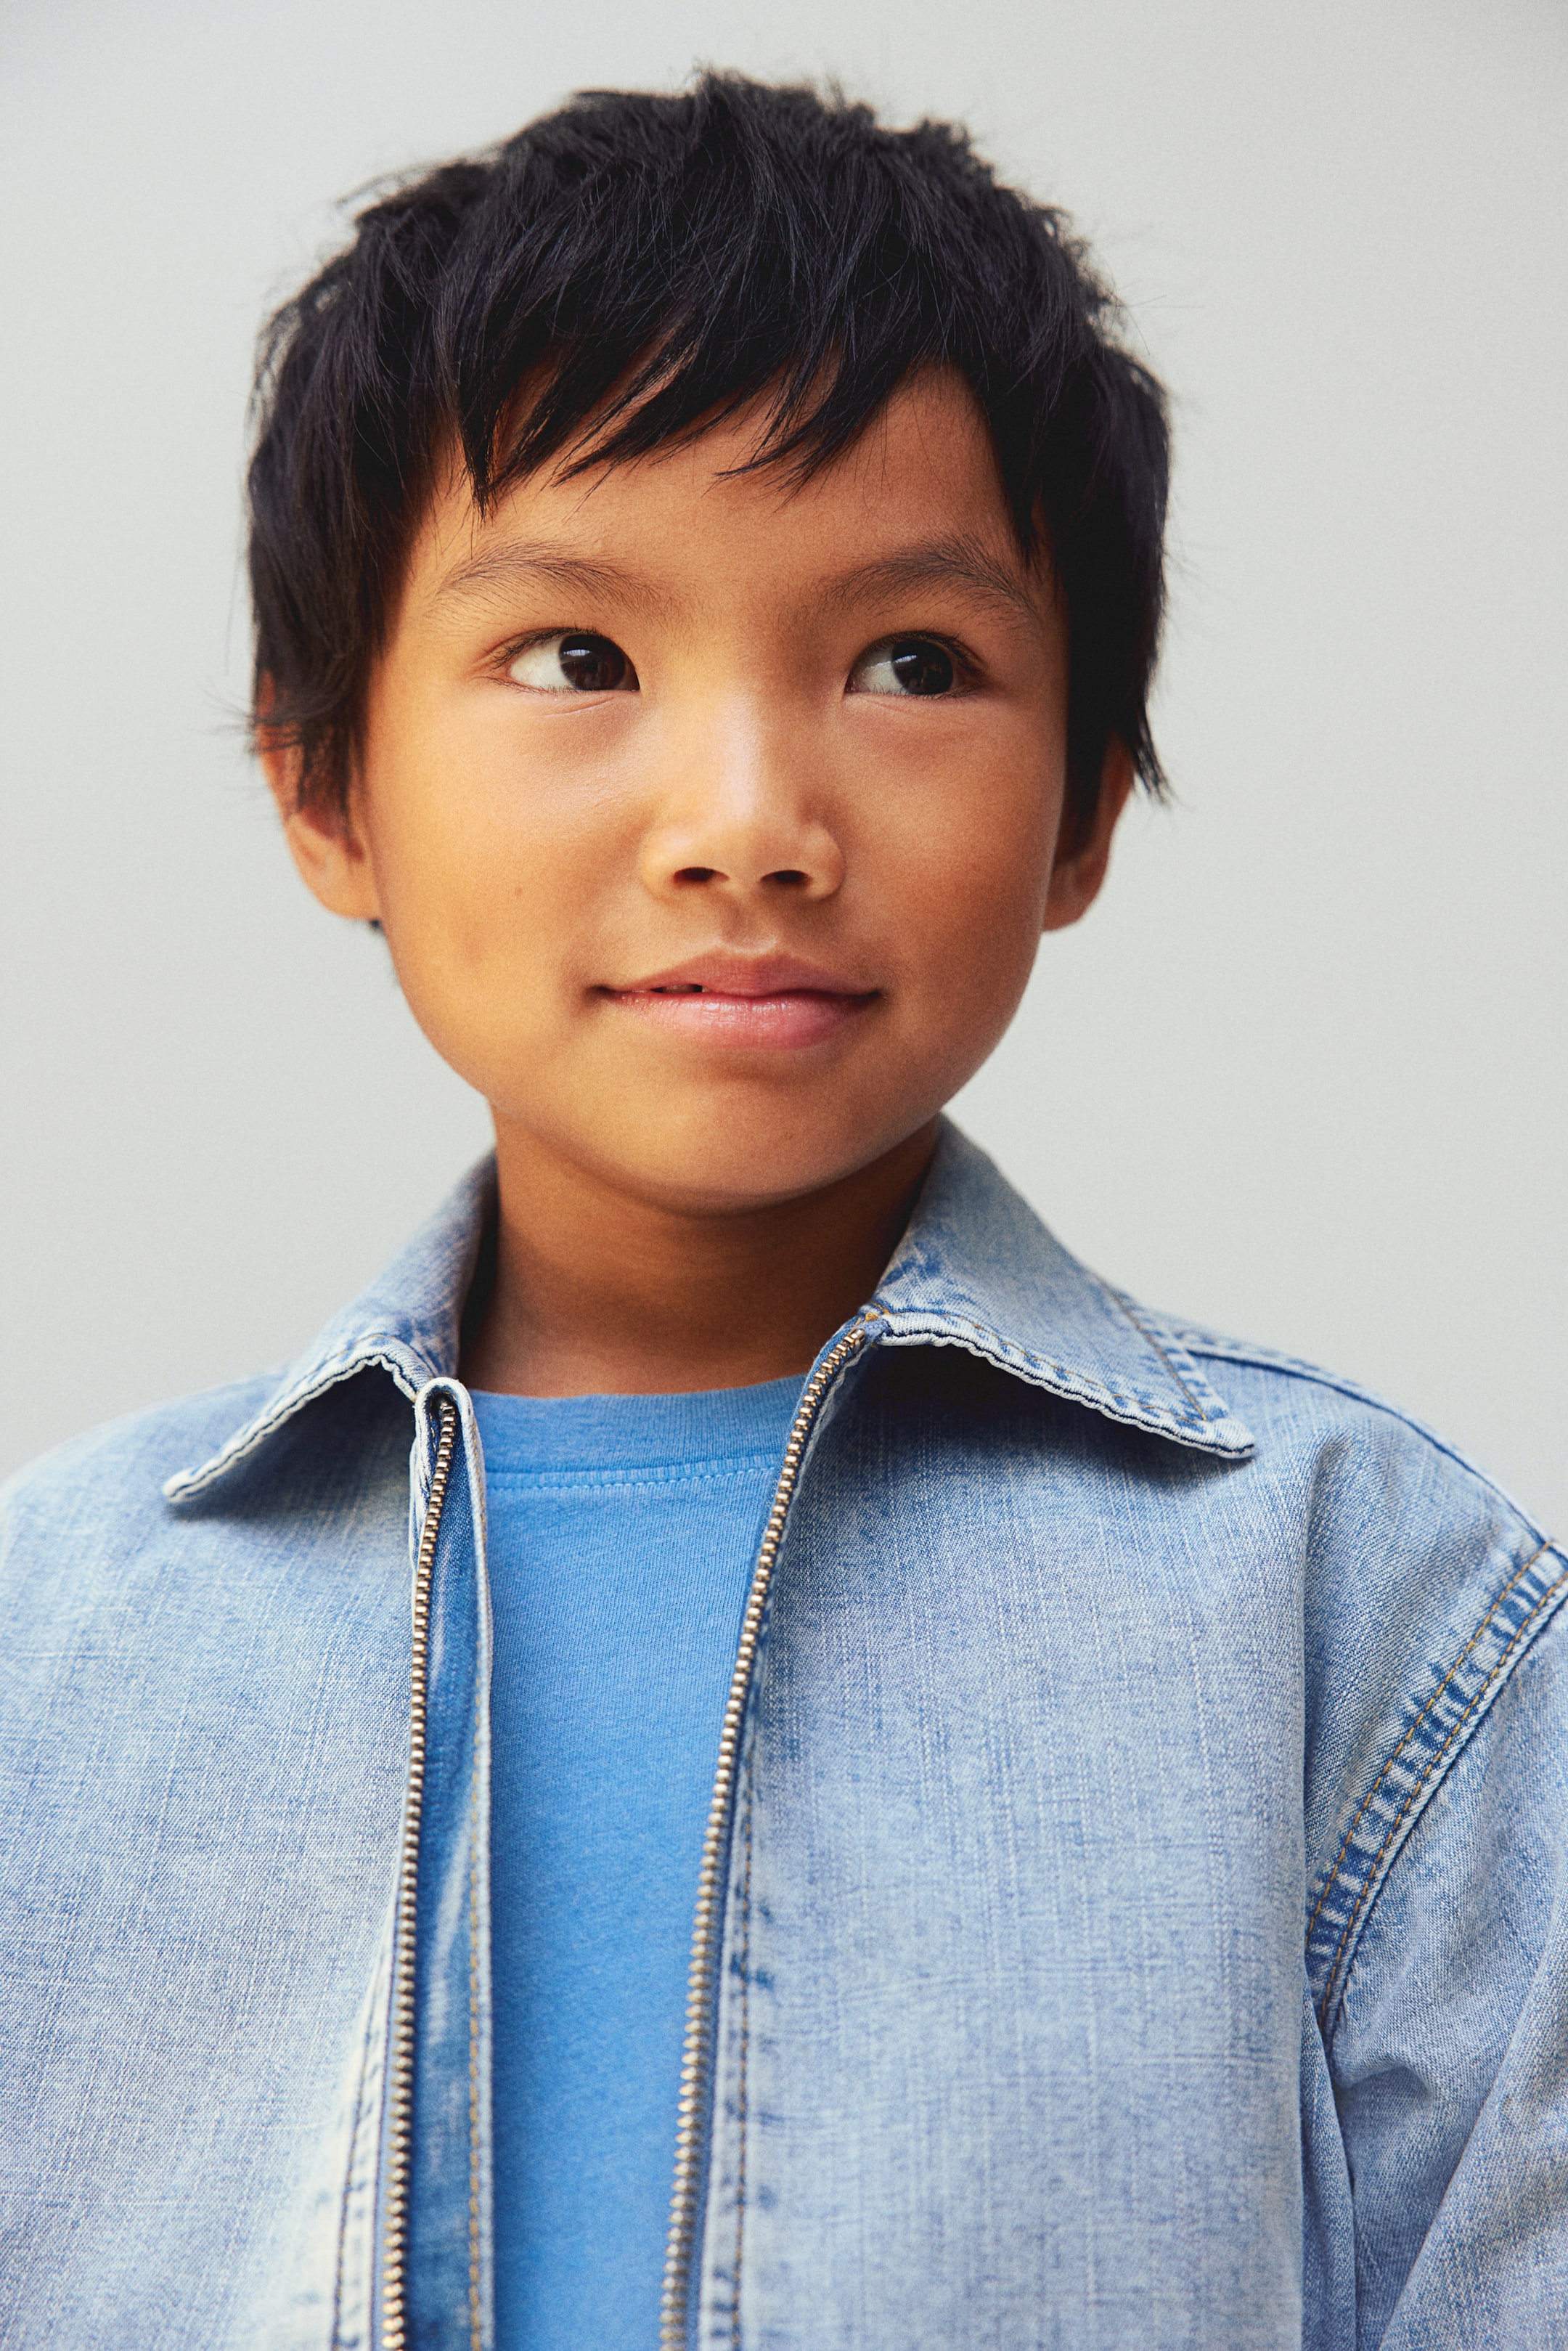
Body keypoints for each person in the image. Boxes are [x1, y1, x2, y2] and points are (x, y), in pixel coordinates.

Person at [2, 70, 1564, 2351]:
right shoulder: (54, 1651)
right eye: (578, 658)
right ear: (323, 781)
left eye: (911, 664)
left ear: (1086, 807)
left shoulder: (1375, 1619)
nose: (750, 821)